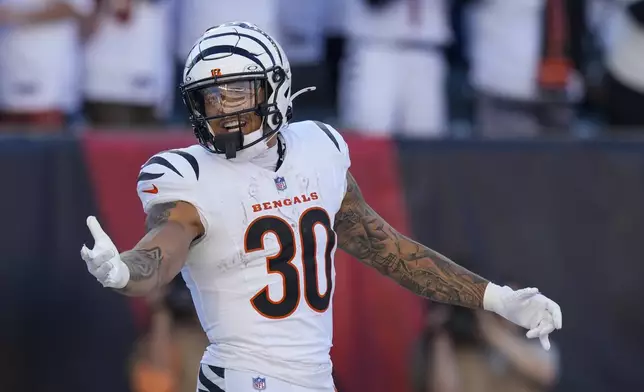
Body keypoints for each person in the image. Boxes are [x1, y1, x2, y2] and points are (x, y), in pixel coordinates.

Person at [80, 22, 562, 392]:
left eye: (237, 93)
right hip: (243, 379)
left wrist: (497, 299)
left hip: (314, 377)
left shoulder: (320, 149)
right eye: (209, 99)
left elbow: (389, 250)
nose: (223, 110)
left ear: (276, 87)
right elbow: (162, 249)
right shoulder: (189, 176)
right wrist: (124, 270)